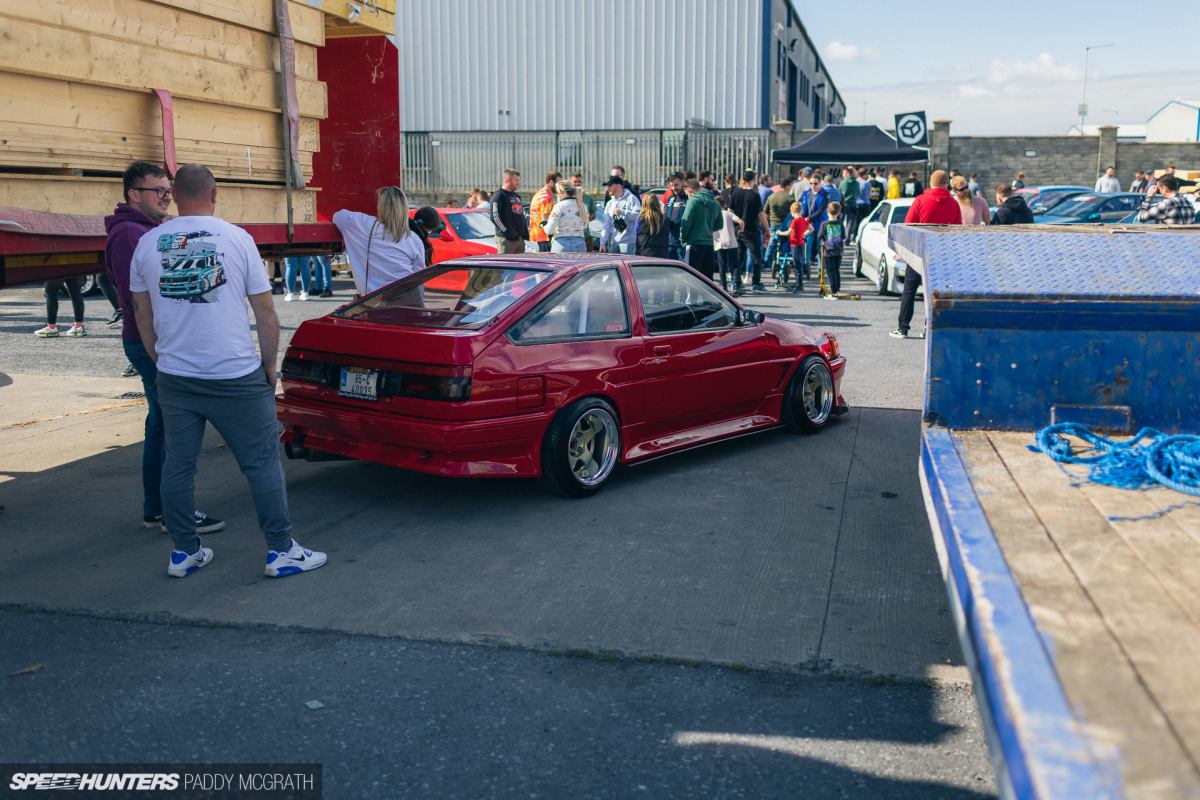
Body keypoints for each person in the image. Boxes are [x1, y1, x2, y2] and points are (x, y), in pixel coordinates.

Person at [129, 163, 324, 579]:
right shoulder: (238, 239)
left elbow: (142, 316)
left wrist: (162, 361)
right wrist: (269, 366)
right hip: (235, 374)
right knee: (261, 465)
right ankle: (280, 551)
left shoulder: (146, 244)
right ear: (215, 194)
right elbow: (266, 312)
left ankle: (184, 552)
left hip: (177, 376)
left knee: (178, 465)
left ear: (175, 196)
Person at [105, 160, 224, 535]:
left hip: (152, 342)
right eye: (159, 191)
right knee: (175, 427)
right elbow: (134, 300)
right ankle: (174, 513)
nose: (167, 198)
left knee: (160, 424)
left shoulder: (146, 230)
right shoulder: (130, 234)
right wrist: (163, 347)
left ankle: (157, 509)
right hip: (151, 344)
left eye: (168, 191)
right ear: (133, 194)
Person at [890, 170, 961, 339]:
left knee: (909, 290)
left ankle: (903, 328)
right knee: (933, 293)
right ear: (946, 185)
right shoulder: (954, 204)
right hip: (940, 255)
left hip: (918, 251)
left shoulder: (920, 200)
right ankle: (928, 328)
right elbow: (958, 229)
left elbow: (908, 224)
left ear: (930, 183)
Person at [332, 187, 425, 295]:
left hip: (375, 301)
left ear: (381, 206)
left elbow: (338, 216)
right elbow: (418, 279)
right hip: (407, 299)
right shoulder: (413, 239)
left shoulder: (365, 225)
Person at [730, 169, 769, 293]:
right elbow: (761, 215)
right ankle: (756, 283)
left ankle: (737, 282)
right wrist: (767, 230)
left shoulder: (735, 193)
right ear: (753, 180)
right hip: (751, 230)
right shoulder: (754, 195)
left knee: (739, 257)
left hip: (737, 230)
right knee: (756, 257)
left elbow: (730, 211)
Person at [679, 179, 722, 280]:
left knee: (691, 278)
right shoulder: (715, 203)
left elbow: (685, 223)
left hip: (693, 244)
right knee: (707, 280)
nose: (688, 197)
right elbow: (720, 224)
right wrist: (707, 228)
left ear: (691, 190)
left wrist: (683, 239)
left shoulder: (693, 201)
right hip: (709, 245)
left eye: (687, 194)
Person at [543, 180, 589, 252]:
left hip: (561, 244)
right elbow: (585, 227)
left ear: (564, 193)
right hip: (579, 243)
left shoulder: (559, 206)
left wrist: (544, 225)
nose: (557, 195)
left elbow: (550, 230)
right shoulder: (582, 206)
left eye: (558, 193)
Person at [490, 168, 527, 254]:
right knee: (505, 265)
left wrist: (523, 233)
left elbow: (520, 215)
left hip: (519, 239)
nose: (518, 182)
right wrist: (507, 232)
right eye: (516, 180)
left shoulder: (516, 196)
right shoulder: (499, 195)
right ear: (508, 180)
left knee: (520, 266)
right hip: (506, 240)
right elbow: (495, 217)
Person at [763, 176, 795, 273]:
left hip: (773, 223)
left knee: (772, 244)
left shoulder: (772, 196)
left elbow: (765, 211)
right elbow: (794, 211)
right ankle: (785, 262)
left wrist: (770, 218)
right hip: (786, 225)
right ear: (788, 186)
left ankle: (767, 264)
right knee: (786, 243)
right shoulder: (790, 197)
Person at [601, 175, 640, 254]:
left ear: (618, 185)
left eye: (610, 186)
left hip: (628, 243)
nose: (608, 188)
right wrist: (602, 242)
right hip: (614, 242)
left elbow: (638, 216)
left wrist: (623, 212)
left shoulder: (632, 199)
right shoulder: (610, 203)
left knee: (626, 265)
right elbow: (606, 224)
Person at [816, 202, 847, 299]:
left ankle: (833, 292)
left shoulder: (824, 224)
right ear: (838, 212)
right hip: (838, 250)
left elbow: (820, 236)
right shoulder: (840, 223)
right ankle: (837, 289)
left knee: (830, 271)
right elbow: (844, 236)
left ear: (827, 211)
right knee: (836, 270)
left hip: (828, 251)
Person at [799, 174, 830, 270]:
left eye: (815, 183)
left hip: (820, 224)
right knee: (807, 247)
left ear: (820, 183)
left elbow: (821, 211)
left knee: (820, 247)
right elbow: (800, 205)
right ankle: (805, 267)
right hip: (808, 225)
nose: (813, 185)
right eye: (811, 183)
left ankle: (820, 269)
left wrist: (808, 218)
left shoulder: (825, 194)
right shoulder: (806, 193)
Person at [713, 196, 742, 292]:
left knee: (722, 266)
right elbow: (741, 222)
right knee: (735, 265)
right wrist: (740, 230)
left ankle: (724, 287)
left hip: (719, 243)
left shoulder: (713, 215)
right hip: (732, 242)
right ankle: (738, 285)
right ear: (725, 205)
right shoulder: (729, 214)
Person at [529, 171, 560, 253]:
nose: (560, 187)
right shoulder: (546, 197)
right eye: (558, 183)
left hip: (538, 235)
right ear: (551, 182)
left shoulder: (539, 193)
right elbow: (545, 220)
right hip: (545, 237)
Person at [662, 171, 688, 261]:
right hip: (669, 242)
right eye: (671, 185)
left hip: (682, 243)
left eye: (676, 185)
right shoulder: (670, 199)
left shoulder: (688, 199)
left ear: (683, 182)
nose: (674, 188)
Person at [786, 201, 811, 293]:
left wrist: (779, 233)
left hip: (795, 244)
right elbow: (811, 229)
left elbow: (788, 232)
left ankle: (799, 283)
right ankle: (799, 282)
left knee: (797, 264)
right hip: (800, 243)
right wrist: (803, 234)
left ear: (792, 211)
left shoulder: (794, 221)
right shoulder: (803, 220)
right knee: (799, 262)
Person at [635, 193, 670, 258]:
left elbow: (636, 234)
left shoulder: (640, 219)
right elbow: (668, 235)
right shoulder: (665, 219)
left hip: (643, 254)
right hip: (662, 255)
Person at [569, 172, 597, 250]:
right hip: (571, 235)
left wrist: (585, 220)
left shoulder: (588, 197)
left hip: (585, 234)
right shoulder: (567, 197)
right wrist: (579, 198)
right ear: (570, 183)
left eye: (579, 181)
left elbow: (593, 214)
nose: (578, 184)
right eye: (575, 182)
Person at [837, 167, 860, 238]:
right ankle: (847, 238)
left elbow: (839, 193)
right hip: (853, 203)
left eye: (843, 173)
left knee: (840, 220)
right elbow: (857, 192)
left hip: (843, 204)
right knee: (850, 222)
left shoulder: (843, 182)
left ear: (848, 173)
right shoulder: (856, 183)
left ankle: (839, 236)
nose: (842, 175)